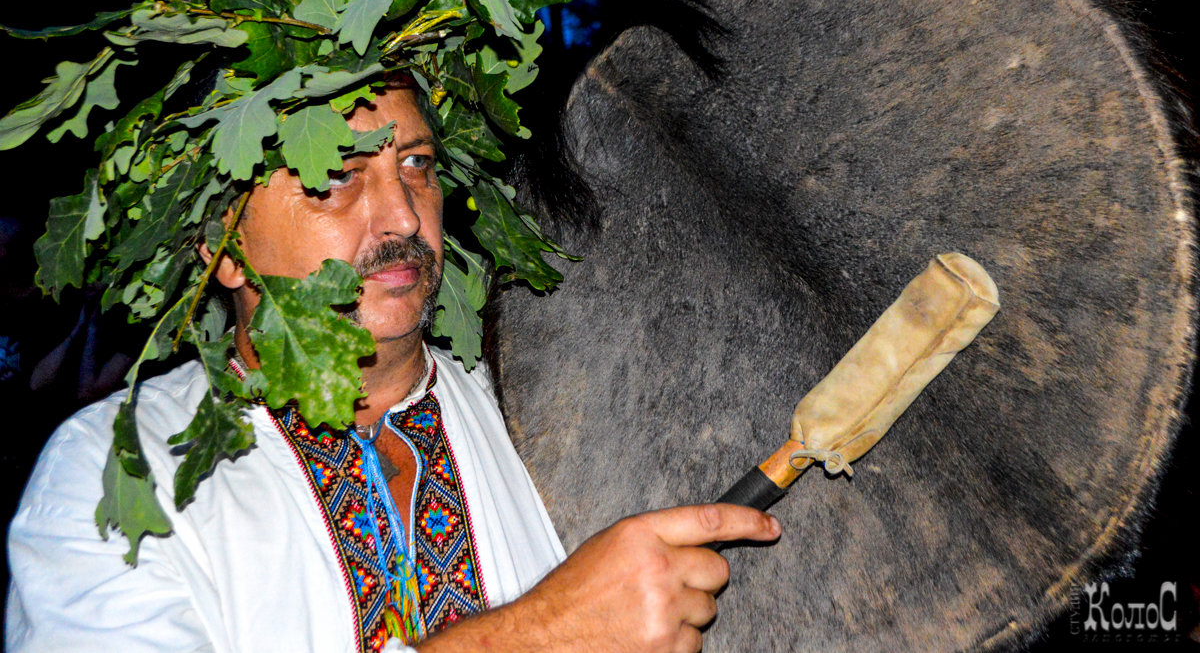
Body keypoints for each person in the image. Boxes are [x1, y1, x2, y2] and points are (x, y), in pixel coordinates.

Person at [6, 85, 781, 653]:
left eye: (415, 165)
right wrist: (542, 635)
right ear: (223, 246)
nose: (405, 217)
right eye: (337, 176)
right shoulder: (118, 467)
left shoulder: (538, 415)